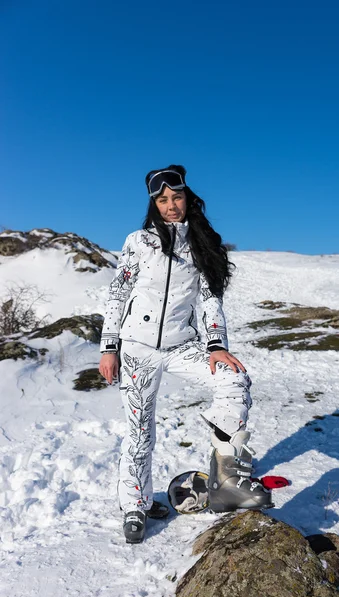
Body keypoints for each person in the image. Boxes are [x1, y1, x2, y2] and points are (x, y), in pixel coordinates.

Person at [99, 165, 271, 544]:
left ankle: (226, 474)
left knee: (234, 379)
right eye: (162, 200)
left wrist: (216, 346)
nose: (171, 205)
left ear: (188, 198)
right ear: (153, 204)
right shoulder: (139, 241)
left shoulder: (201, 244)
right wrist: (109, 347)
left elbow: (210, 299)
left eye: (176, 197)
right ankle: (135, 504)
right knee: (140, 432)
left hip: (181, 347)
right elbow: (117, 295)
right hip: (137, 350)